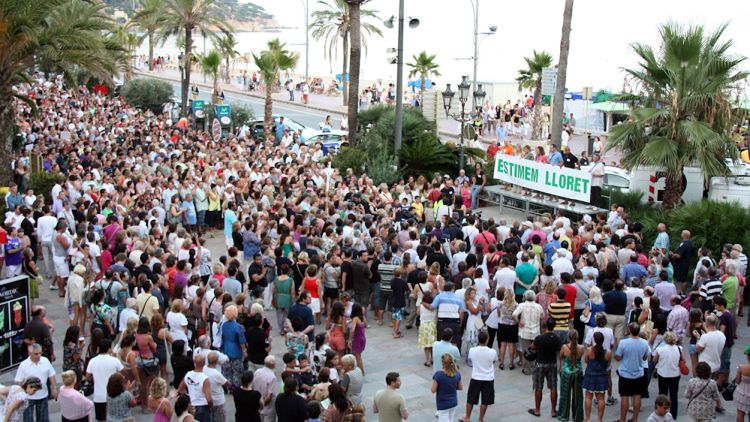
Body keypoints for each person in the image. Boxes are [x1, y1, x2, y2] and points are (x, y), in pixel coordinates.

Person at [615, 323, 651, 422]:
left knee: (625, 396)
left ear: (629, 330)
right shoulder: (644, 343)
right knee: (637, 395)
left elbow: (618, 357)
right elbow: (645, 357)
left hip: (625, 373)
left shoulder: (623, 343)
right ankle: (635, 419)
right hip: (639, 373)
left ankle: (622, 419)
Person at [15, 343, 56, 422]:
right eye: (36, 354)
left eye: (40, 353)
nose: (39, 355)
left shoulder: (45, 361)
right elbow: (18, 381)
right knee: (28, 419)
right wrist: (25, 390)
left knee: (43, 419)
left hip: (43, 395)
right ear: (30, 353)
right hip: (28, 397)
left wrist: (54, 388)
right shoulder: (24, 365)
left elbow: (52, 375)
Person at [530, 317, 562, 417]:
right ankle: (553, 411)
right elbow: (559, 351)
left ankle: (537, 410)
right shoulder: (557, 338)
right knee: (553, 387)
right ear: (554, 326)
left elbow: (532, 347)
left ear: (546, 326)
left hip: (540, 364)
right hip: (552, 363)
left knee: (538, 387)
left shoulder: (540, 338)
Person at [462, 330, 497, 422]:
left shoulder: (472, 350)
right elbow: (493, 361)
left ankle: (467, 417)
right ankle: (480, 419)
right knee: (485, 400)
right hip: (488, 378)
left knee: (470, 399)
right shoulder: (492, 352)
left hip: (476, 377)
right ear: (487, 340)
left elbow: (471, 359)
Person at [86, 339, 123, 422]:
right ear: (109, 349)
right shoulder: (115, 360)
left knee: (101, 419)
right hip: (113, 394)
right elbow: (123, 373)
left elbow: (87, 377)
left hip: (99, 396)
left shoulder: (92, 361)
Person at [652, 331, 682, 419]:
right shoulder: (679, 348)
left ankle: (662, 412)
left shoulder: (660, 350)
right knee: (674, 395)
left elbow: (654, 360)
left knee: (663, 394)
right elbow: (682, 359)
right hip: (675, 374)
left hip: (663, 374)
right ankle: (673, 415)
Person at [582, 332, 611, 422]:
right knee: (601, 398)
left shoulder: (590, 350)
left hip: (590, 375)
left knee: (588, 397)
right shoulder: (608, 353)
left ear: (594, 340)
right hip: (601, 376)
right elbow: (608, 365)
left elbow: (586, 361)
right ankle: (600, 419)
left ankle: (588, 419)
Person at [557, 330, 584, 422]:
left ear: (568, 337)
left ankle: (563, 415)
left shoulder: (564, 347)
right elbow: (579, 359)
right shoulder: (581, 348)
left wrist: (561, 367)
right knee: (578, 396)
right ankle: (577, 417)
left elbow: (560, 357)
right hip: (578, 372)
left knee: (565, 395)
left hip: (567, 372)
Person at [177, 353, 213, 422]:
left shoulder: (188, 375)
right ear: (204, 362)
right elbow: (209, 399)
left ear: (194, 362)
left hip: (191, 406)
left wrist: (188, 398)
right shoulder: (205, 378)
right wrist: (211, 406)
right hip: (203, 406)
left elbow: (180, 389)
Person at [432, 353, 463, 422]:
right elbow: (460, 387)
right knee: (450, 420)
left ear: (442, 363)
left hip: (443, 404)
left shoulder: (438, 375)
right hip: (453, 402)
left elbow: (433, 390)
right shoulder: (457, 374)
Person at [204, 352, 229, 422]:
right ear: (217, 361)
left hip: (207, 399)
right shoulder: (216, 373)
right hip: (218, 401)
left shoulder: (203, 368)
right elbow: (227, 383)